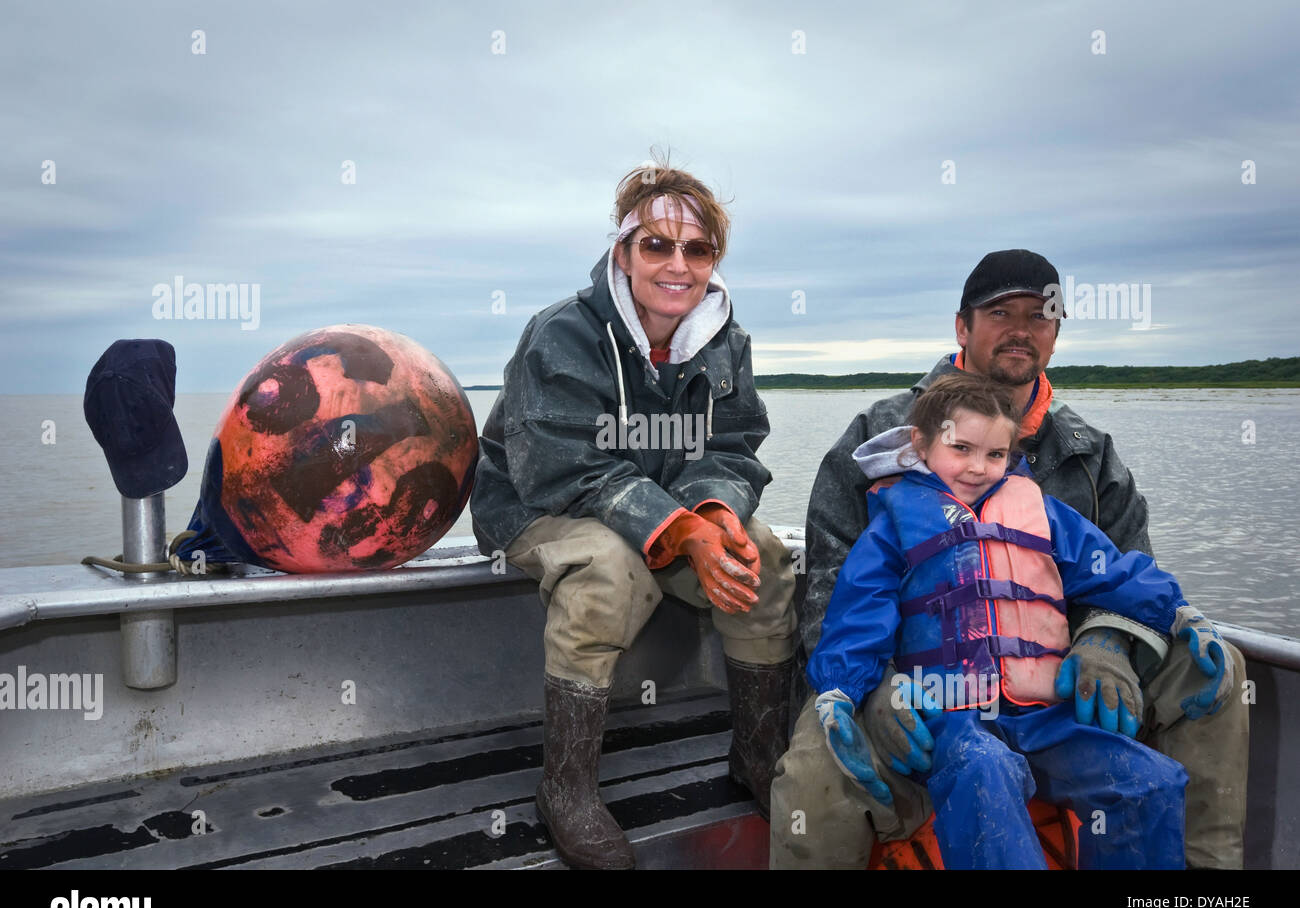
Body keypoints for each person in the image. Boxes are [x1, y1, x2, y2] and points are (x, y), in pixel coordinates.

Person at [770, 249, 1248, 870]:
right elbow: (831, 588)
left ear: (1056, 332)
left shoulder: (1090, 452)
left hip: (1053, 681)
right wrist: (873, 689)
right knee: (814, 771)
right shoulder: (877, 434)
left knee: (1218, 667)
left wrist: (1105, 642)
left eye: (1040, 315)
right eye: (1000, 313)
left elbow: (1126, 566)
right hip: (917, 679)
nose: (1022, 329)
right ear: (962, 327)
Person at [472, 158, 797, 870]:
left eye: (698, 249)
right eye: (657, 245)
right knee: (609, 567)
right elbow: (561, 465)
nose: (678, 265)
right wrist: (679, 528)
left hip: (660, 504)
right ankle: (566, 789)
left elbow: (732, 443)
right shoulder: (559, 333)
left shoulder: (726, 341)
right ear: (623, 253)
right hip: (534, 503)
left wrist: (715, 511)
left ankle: (757, 753)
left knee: (764, 557)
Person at [810, 373, 1195, 868]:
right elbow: (860, 612)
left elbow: (1115, 571)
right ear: (921, 445)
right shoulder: (895, 524)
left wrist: (1180, 613)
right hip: (950, 717)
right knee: (985, 768)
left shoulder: (1043, 513)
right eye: (961, 449)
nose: (978, 467)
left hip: (1043, 716)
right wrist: (842, 691)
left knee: (1152, 783)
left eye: (995, 454)